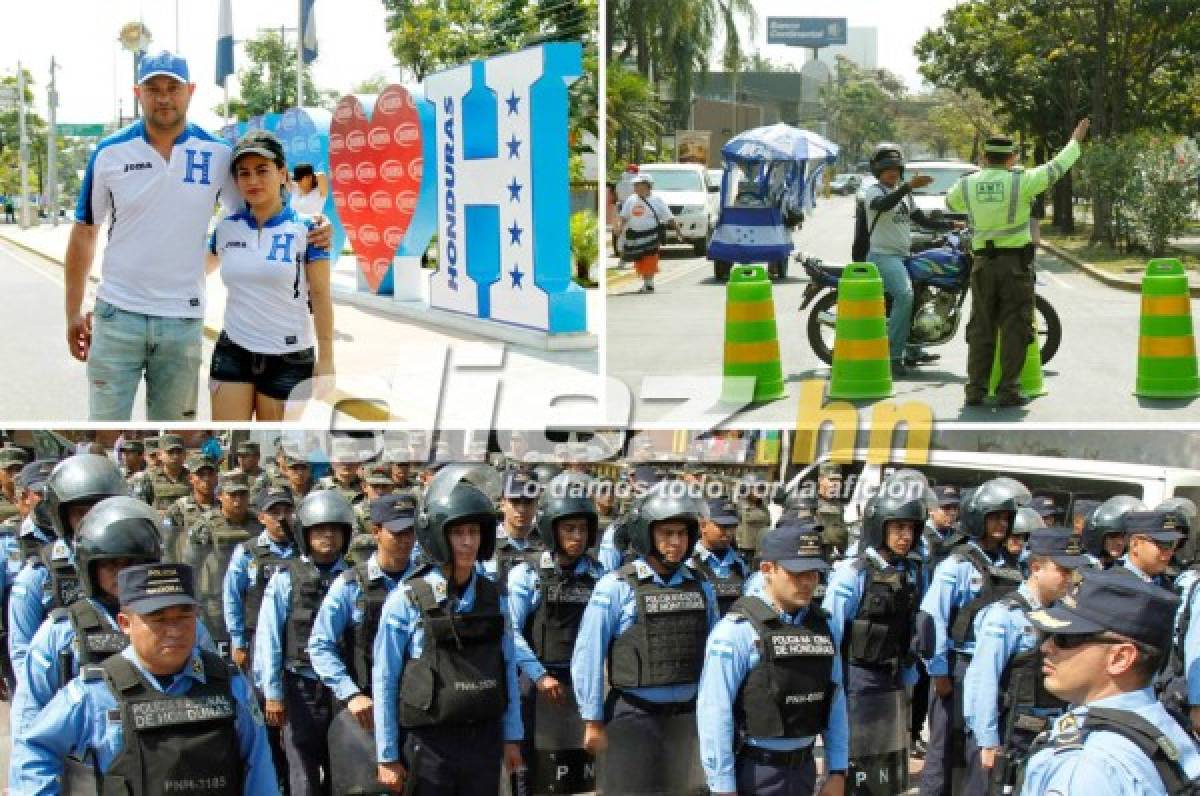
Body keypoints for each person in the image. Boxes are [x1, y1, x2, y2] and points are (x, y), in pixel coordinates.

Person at [66, 51, 329, 421]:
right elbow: (84, 232)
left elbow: (258, 210)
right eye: (153, 88)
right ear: (137, 93)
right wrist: (73, 311)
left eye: (173, 88)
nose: (163, 97)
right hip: (116, 315)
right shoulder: (109, 153)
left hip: (182, 320)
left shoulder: (217, 154)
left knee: (176, 431)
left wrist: (311, 224)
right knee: (103, 429)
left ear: (190, 91)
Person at [9, 562, 279, 795]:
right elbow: (35, 749)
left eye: (184, 616)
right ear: (125, 623)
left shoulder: (230, 684)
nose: (174, 631)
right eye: (158, 619)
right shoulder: (95, 693)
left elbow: (259, 768)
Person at [11, 495, 216, 739]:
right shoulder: (62, 633)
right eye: (111, 565)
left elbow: (217, 687)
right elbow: (29, 725)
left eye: (132, 564)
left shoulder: (187, 626)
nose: (122, 574)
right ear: (91, 570)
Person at [372, 467, 524, 794]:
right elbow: (385, 678)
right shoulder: (406, 600)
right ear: (438, 535)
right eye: (458, 533)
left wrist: (512, 736)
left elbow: (508, 666)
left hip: (483, 740)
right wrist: (386, 755)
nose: (468, 542)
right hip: (429, 745)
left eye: (474, 532)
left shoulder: (493, 597)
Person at [571, 480, 719, 794]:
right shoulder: (616, 587)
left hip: (686, 720)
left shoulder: (702, 586)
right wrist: (592, 720)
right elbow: (588, 655)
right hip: (633, 718)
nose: (676, 542)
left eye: (682, 534)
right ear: (646, 533)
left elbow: (713, 657)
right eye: (667, 533)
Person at [945, 120, 1089, 407]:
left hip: (982, 265)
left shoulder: (967, 184)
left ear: (984, 158)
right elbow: (1057, 168)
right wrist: (1075, 141)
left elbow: (951, 204)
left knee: (982, 326)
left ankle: (975, 389)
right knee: (1015, 327)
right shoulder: (1022, 181)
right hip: (1014, 267)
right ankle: (1008, 390)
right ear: (1011, 158)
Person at [1016, 569, 1200, 794]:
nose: (1046, 647)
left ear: (1120, 658)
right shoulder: (1167, 724)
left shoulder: (1087, 763)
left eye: (1066, 638)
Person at [699, 523, 848, 796]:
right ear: (768, 570)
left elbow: (835, 700)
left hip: (803, 770)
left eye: (814, 573)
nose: (808, 582)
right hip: (755, 771)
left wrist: (837, 770)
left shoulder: (825, 627)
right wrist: (722, 786)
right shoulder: (736, 632)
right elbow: (714, 713)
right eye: (797, 573)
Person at [208, 130, 333, 420]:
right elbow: (196, 272)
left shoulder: (310, 229)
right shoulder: (226, 228)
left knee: (274, 446)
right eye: (244, 173)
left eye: (262, 171)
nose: (252, 181)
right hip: (233, 349)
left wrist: (326, 359)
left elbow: (321, 294)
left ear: (282, 174)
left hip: (288, 357)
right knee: (233, 439)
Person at [917, 477, 1027, 796]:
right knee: (942, 751)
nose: (1001, 524)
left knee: (981, 751)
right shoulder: (957, 564)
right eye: (994, 516)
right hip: (958, 666)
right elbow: (930, 619)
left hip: (996, 670)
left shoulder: (1012, 566)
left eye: (1005, 518)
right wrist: (939, 673)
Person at [961, 527, 1087, 795]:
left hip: (1049, 731)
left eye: (1072, 572)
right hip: (1010, 734)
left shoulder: (1062, 615)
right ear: (1036, 567)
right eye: (1063, 570)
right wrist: (987, 741)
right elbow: (983, 679)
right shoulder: (1006, 617)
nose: (1069, 579)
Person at [308, 492, 417, 794]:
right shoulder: (350, 585)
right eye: (397, 532)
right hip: (366, 712)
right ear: (376, 531)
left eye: (411, 531)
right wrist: (350, 694)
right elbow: (319, 645)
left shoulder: (427, 581)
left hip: (419, 709)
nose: (405, 539)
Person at [823, 487, 926, 791]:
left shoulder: (912, 571)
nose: (905, 536)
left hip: (892, 683)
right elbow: (832, 633)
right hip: (857, 680)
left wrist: (908, 676)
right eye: (898, 527)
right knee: (852, 764)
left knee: (885, 766)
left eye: (910, 528)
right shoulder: (853, 575)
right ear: (878, 527)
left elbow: (909, 627)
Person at [506, 481, 606, 793]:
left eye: (582, 529)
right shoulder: (528, 575)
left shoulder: (601, 577)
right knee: (529, 769)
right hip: (535, 685)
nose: (577, 537)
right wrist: (539, 675)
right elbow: (510, 631)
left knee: (580, 771)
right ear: (552, 530)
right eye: (568, 529)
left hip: (583, 686)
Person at [254, 489, 353, 796]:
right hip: (300, 688)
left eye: (335, 530)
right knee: (303, 776)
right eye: (320, 530)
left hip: (344, 690)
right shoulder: (286, 578)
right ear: (304, 533)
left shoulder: (354, 578)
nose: (328, 537)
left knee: (347, 770)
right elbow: (268, 639)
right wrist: (273, 693)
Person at [7, 455, 127, 688]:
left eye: (101, 509)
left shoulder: (143, 566)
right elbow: (23, 656)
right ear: (62, 517)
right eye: (82, 513)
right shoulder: (39, 575)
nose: (94, 520)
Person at [861, 142, 961, 376]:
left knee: (921, 292)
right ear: (877, 171)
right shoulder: (874, 192)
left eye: (896, 168)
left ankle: (914, 347)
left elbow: (923, 221)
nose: (892, 172)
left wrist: (951, 225)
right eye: (887, 169)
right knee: (905, 295)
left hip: (904, 255)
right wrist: (907, 187)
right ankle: (894, 357)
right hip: (883, 256)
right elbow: (884, 206)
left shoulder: (906, 197)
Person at [184, 470, 260, 656]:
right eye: (232, 495)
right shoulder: (205, 526)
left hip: (252, 600)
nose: (238, 501)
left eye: (242, 494)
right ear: (219, 496)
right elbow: (191, 565)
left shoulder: (258, 523)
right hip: (215, 603)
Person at [222, 486, 298, 671]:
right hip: (259, 636)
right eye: (274, 513)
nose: (281, 518)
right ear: (261, 518)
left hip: (299, 638)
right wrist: (239, 642)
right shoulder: (248, 553)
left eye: (287, 511)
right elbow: (232, 597)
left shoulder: (304, 551)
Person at [615, 173, 682, 294]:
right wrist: (620, 227)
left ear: (648, 186)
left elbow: (669, 217)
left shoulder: (657, 200)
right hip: (635, 236)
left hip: (652, 235)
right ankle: (646, 282)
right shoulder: (631, 200)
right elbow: (624, 216)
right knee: (639, 259)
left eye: (639, 185)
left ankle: (649, 283)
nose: (636, 188)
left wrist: (678, 231)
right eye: (635, 185)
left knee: (650, 258)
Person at [690, 497, 752, 615]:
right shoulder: (688, 562)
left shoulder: (741, 564)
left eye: (732, 527)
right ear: (703, 525)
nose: (729, 533)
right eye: (722, 527)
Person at [491, 470, 544, 587]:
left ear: (537, 504)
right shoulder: (486, 543)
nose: (521, 509)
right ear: (503, 503)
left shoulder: (547, 544)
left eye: (528, 502)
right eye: (515, 501)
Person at [163, 453, 219, 563]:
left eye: (210, 474)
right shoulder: (178, 509)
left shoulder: (224, 508)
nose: (206, 479)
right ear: (191, 478)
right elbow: (168, 547)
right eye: (201, 474)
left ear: (216, 477)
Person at [1113, 510, 1184, 589]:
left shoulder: (1165, 583)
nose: (1170, 552)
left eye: (1173, 544)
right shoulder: (1114, 583)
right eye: (1164, 544)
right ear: (1135, 544)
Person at [146, 434, 192, 514]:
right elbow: (141, 507)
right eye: (170, 452)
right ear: (159, 455)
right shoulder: (148, 478)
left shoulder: (193, 477)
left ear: (185, 455)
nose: (175, 456)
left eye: (179, 452)